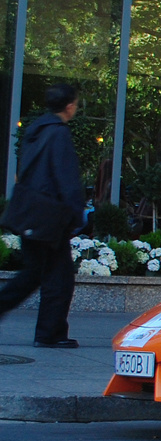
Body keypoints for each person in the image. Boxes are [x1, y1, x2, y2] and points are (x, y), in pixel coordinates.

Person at [0, 84, 86, 349]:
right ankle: (50, 333)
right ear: (70, 105)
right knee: (59, 278)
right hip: (50, 217)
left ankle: (49, 332)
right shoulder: (58, 134)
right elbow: (66, 177)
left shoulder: (34, 131)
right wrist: (76, 215)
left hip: (30, 213)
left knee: (34, 272)